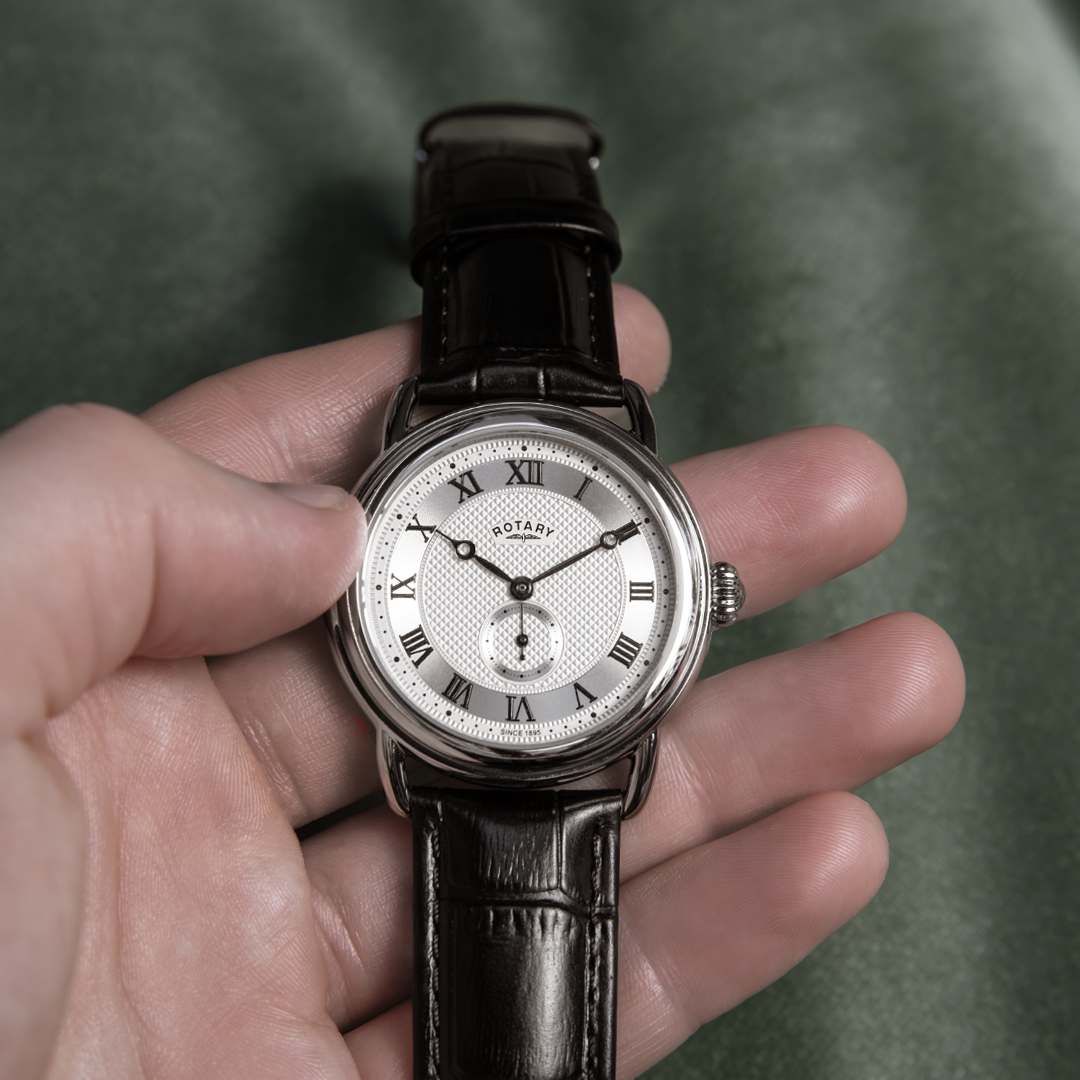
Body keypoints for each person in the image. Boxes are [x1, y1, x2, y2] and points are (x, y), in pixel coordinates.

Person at [0, 285, 964, 1080]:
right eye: (500, 570)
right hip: (445, 760)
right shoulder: (465, 532)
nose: (517, 587)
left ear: (700, 597)